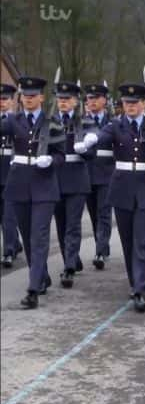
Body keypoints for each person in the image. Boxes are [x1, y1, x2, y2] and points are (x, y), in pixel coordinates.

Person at [96, 83, 145, 312]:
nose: (130, 106)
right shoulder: (115, 126)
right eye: (126, 103)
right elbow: (102, 137)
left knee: (142, 241)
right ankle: (135, 282)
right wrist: (90, 140)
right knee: (128, 241)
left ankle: (140, 289)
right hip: (122, 190)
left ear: (143, 104)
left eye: (134, 102)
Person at [1, 76, 65, 309]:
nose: (28, 99)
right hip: (18, 185)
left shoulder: (52, 122)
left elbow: (61, 153)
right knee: (28, 237)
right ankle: (41, 276)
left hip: (44, 186)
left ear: (41, 97)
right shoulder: (12, 120)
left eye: (32, 96)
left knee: (39, 237)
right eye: (24, 96)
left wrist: (52, 160)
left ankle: (33, 289)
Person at [52, 81, 96, 288]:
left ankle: (68, 267)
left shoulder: (86, 122)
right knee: (60, 224)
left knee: (73, 224)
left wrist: (84, 150)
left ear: (76, 101)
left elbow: (93, 154)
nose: (63, 102)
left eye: (67, 99)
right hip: (55, 178)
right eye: (60, 99)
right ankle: (71, 257)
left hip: (78, 178)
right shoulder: (49, 122)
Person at [84, 83, 114, 270]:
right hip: (87, 173)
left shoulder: (113, 122)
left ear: (104, 100)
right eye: (89, 98)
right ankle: (101, 244)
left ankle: (100, 250)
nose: (92, 101)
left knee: (104, 213)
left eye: (96, 98)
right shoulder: (82, 121)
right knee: (93, 213)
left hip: (107, 173)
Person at [1, 83, 23, 268]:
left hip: (12, 172)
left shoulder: (17, 120)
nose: (2, 103)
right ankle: (15, 243)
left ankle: (8, 251)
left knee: (9, 215)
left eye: (5, 99)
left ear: (12, 101)